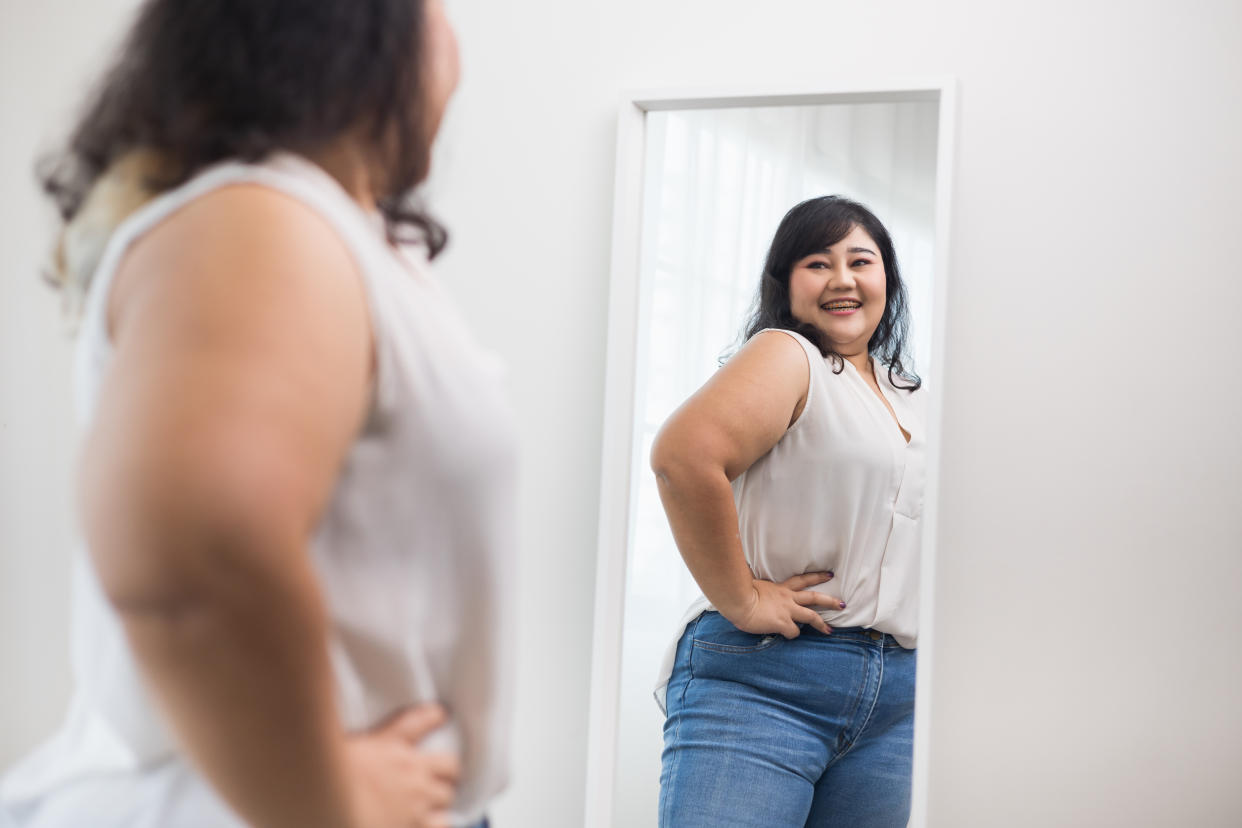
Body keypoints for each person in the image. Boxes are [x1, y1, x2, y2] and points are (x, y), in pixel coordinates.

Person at [0, 2, 516, 827]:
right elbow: (195, 547)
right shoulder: (262, 219)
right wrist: (328, 799)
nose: (452, 40)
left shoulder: (343, 237)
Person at [651, 195, 926, 827]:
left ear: (888, 278)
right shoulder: (789, 354)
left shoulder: (910, 395)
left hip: (897, 700)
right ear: (785, 284)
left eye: (862, 260)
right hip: (769, 679)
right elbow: (684, 458)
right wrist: (744, 598)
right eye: (816, 263)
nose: (843, 279)